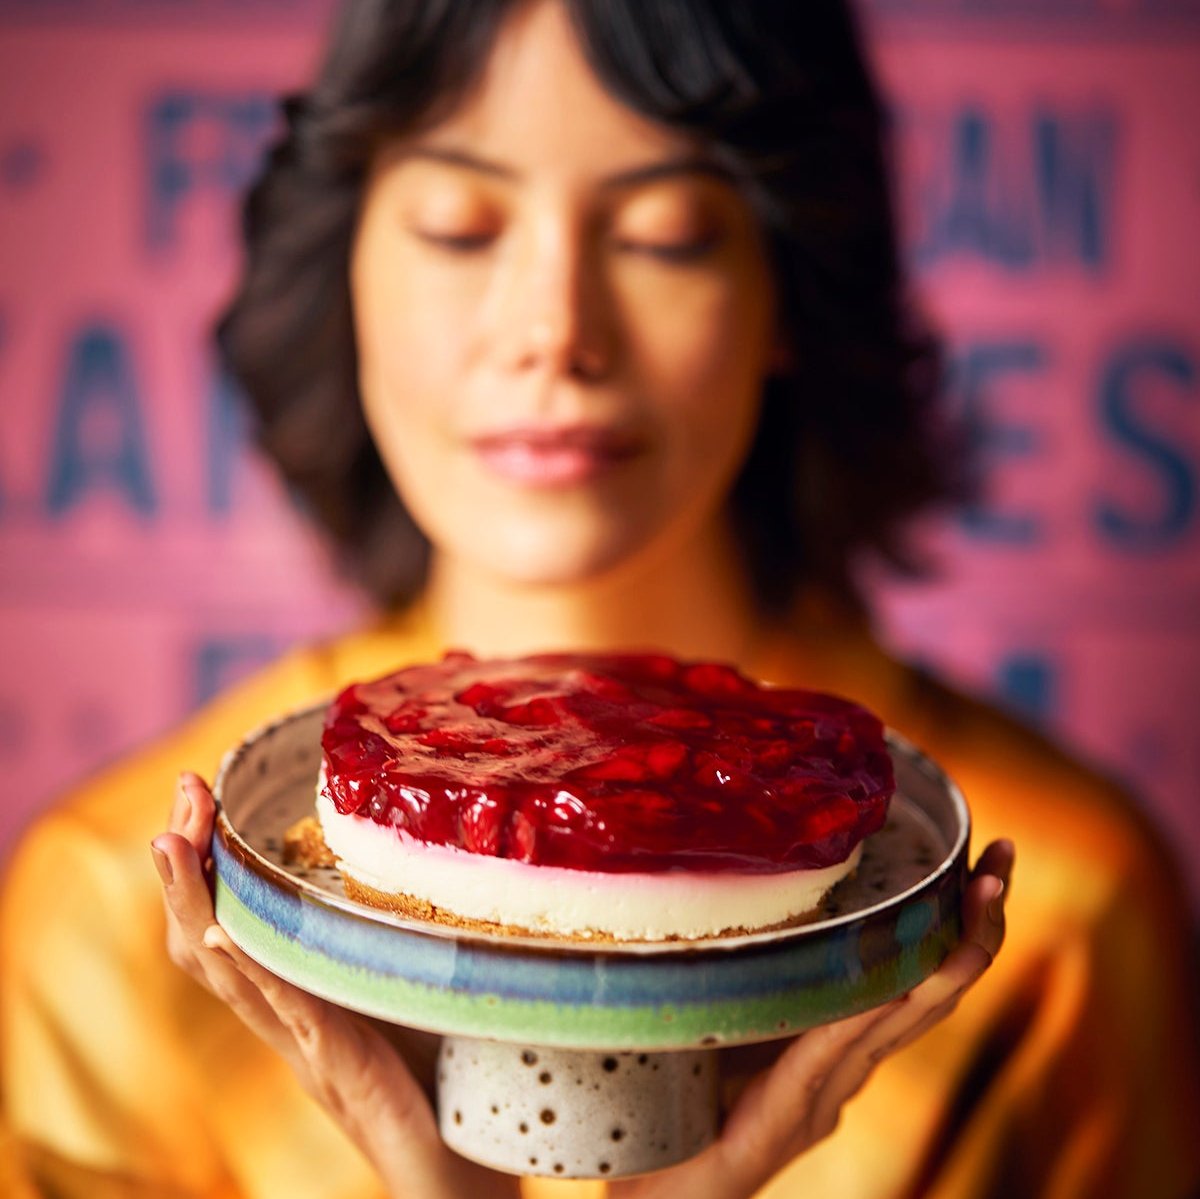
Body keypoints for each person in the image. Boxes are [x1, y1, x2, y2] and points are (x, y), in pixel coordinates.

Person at [0, 1, 1196, 1196]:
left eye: (665, 236)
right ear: (347, 267)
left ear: (786, 285)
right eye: (459, 227)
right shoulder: (117, 912)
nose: (554, 331)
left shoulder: (1060, 916)